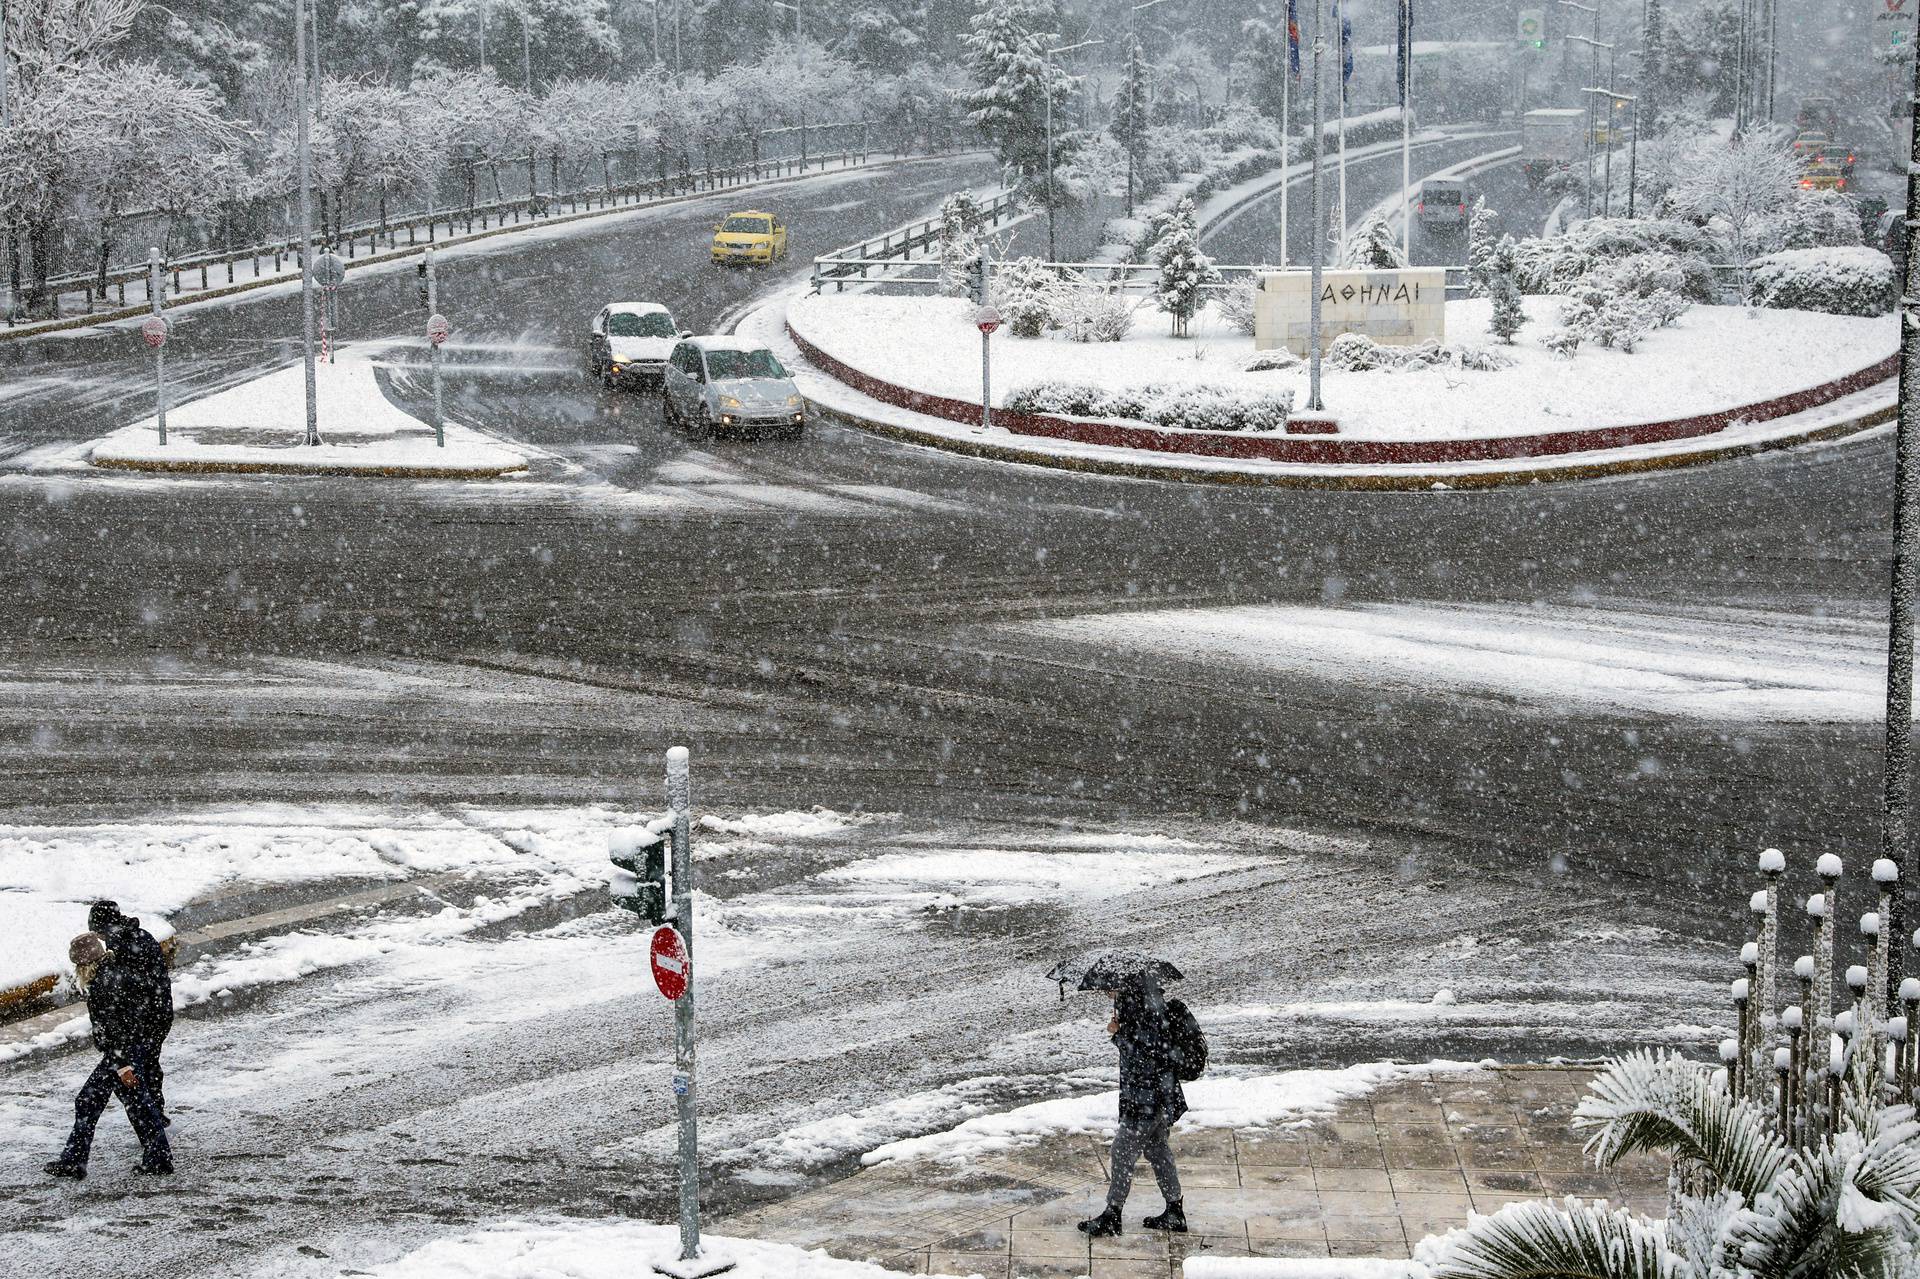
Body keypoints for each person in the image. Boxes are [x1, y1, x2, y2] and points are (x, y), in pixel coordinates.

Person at [44, 933, 173, 1179]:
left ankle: (76, 1161)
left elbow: (115, 1028)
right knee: (137, 1105)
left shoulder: (104, 985)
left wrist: (123, 1065)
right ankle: (156, 1157)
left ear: (84, 965)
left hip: (122, 1056)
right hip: (130, 1051)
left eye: (78, 966)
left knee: (93, 1102)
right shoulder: (116, 974)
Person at [1078, 972, 1186, 1237]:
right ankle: (1174, 1210)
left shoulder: (1139, 1008)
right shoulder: (1148, 1002)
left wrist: (1118, 1035)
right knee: (1158, 1150)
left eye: (1108, 985)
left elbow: (1144, 1055)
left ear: (1124, 983)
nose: (1104, 990)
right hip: (1156, 1094)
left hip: (1144, 1098)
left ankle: (1112, 1215)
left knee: (1121, 1152)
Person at [87, 900, 173, 1123]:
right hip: (160, 1011)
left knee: (136, 1071)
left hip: (143, 1018)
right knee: (150, 1063)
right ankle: (156, 1113)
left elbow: (126, 991)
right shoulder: (141, 934)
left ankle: (152, 1120)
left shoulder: (118, 945)